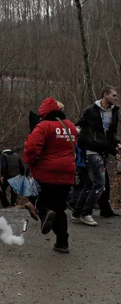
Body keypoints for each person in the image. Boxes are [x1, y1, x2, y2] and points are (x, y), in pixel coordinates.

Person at [24, 97, 77, 253]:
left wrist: (31, 162)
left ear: (44, 113)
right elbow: (74, 147)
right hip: (67, 173)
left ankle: (45, 213)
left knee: (42, 202)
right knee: (60, 208)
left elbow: (31, 148)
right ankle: (62, 243)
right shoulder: (70, 126)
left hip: (46, 172)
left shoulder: (43, 126)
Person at [72, 85, 121, 224]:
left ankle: (77, 212)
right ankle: (86, 213)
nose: (116, 98)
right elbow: (78, 126)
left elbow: (111, 133)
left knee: (89, 183)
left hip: (104, 150)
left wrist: (116, 146)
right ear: (105, 95)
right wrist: (84, 141)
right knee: (99, 184)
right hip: (91, 151)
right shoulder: (90, 111)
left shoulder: (114, 113)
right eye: (114, 95)